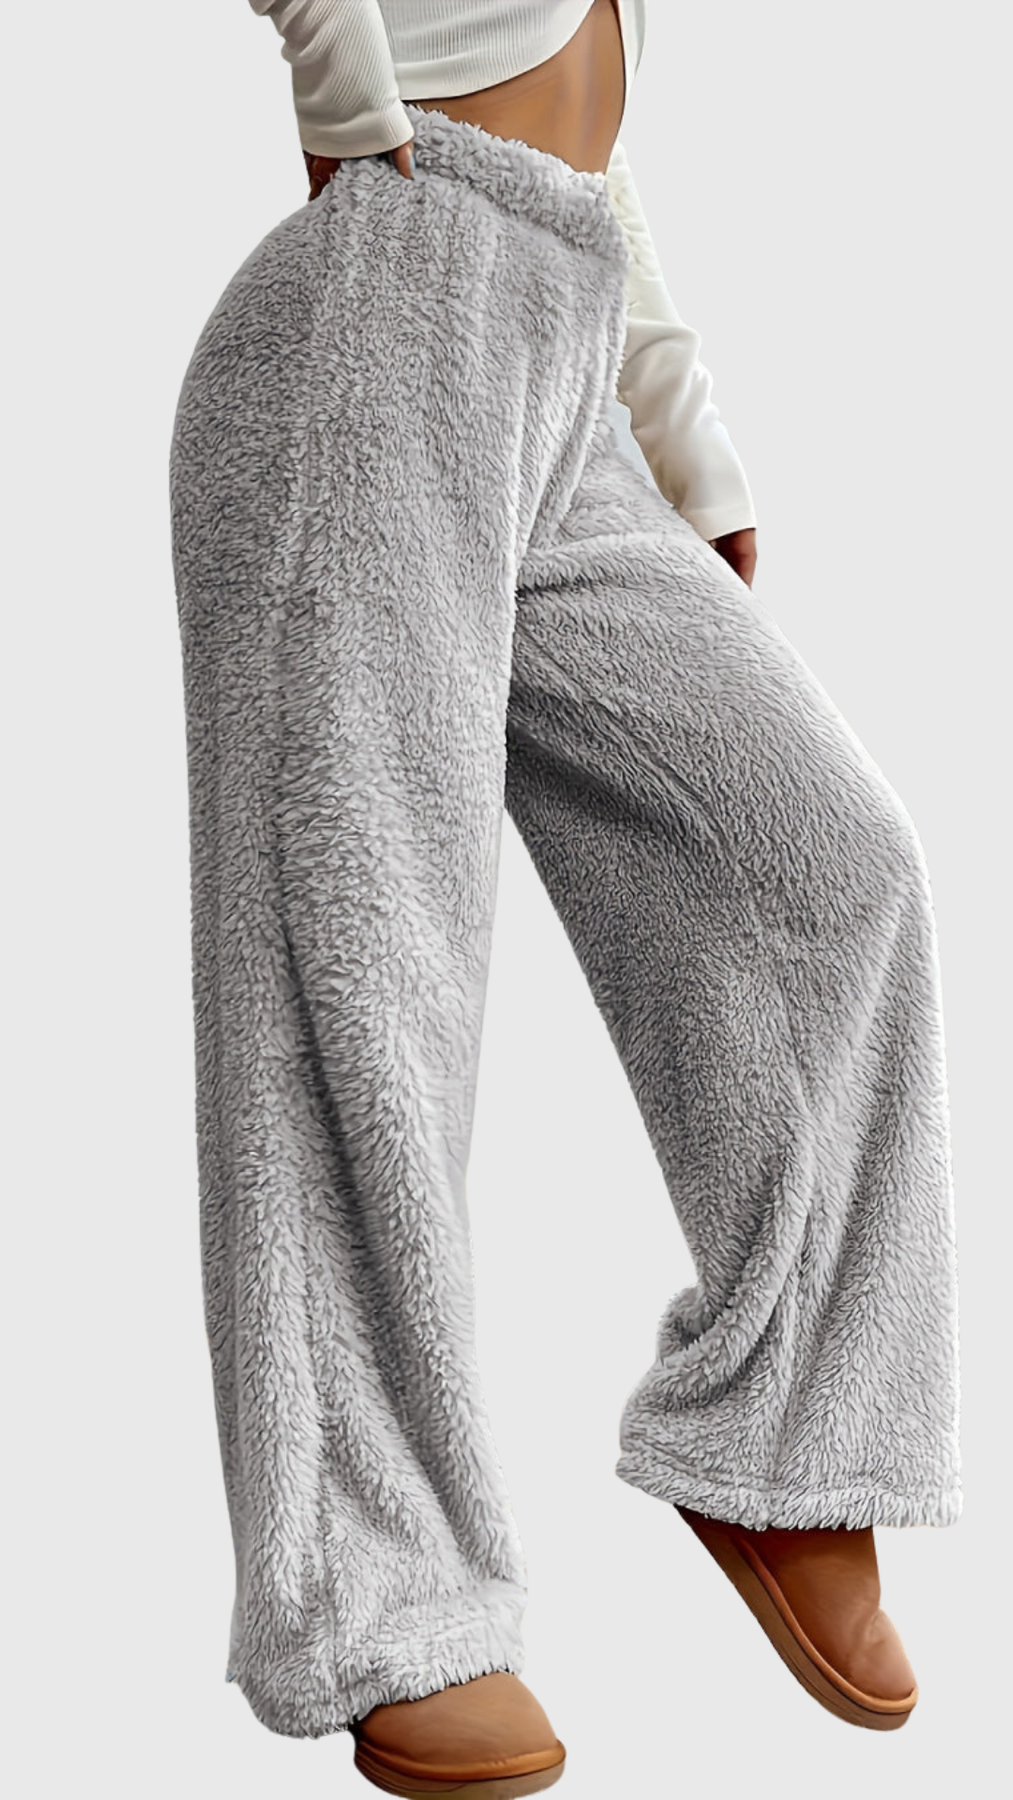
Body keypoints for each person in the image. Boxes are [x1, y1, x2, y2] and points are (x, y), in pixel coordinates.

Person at [168, 2, 962, 1789]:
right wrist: (348, 96)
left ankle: (787, 1436)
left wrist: (678, 420)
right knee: (359, 972)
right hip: (380, 307)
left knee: (832, 867)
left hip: (561, 349)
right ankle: (381, 1597)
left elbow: (588, 145)